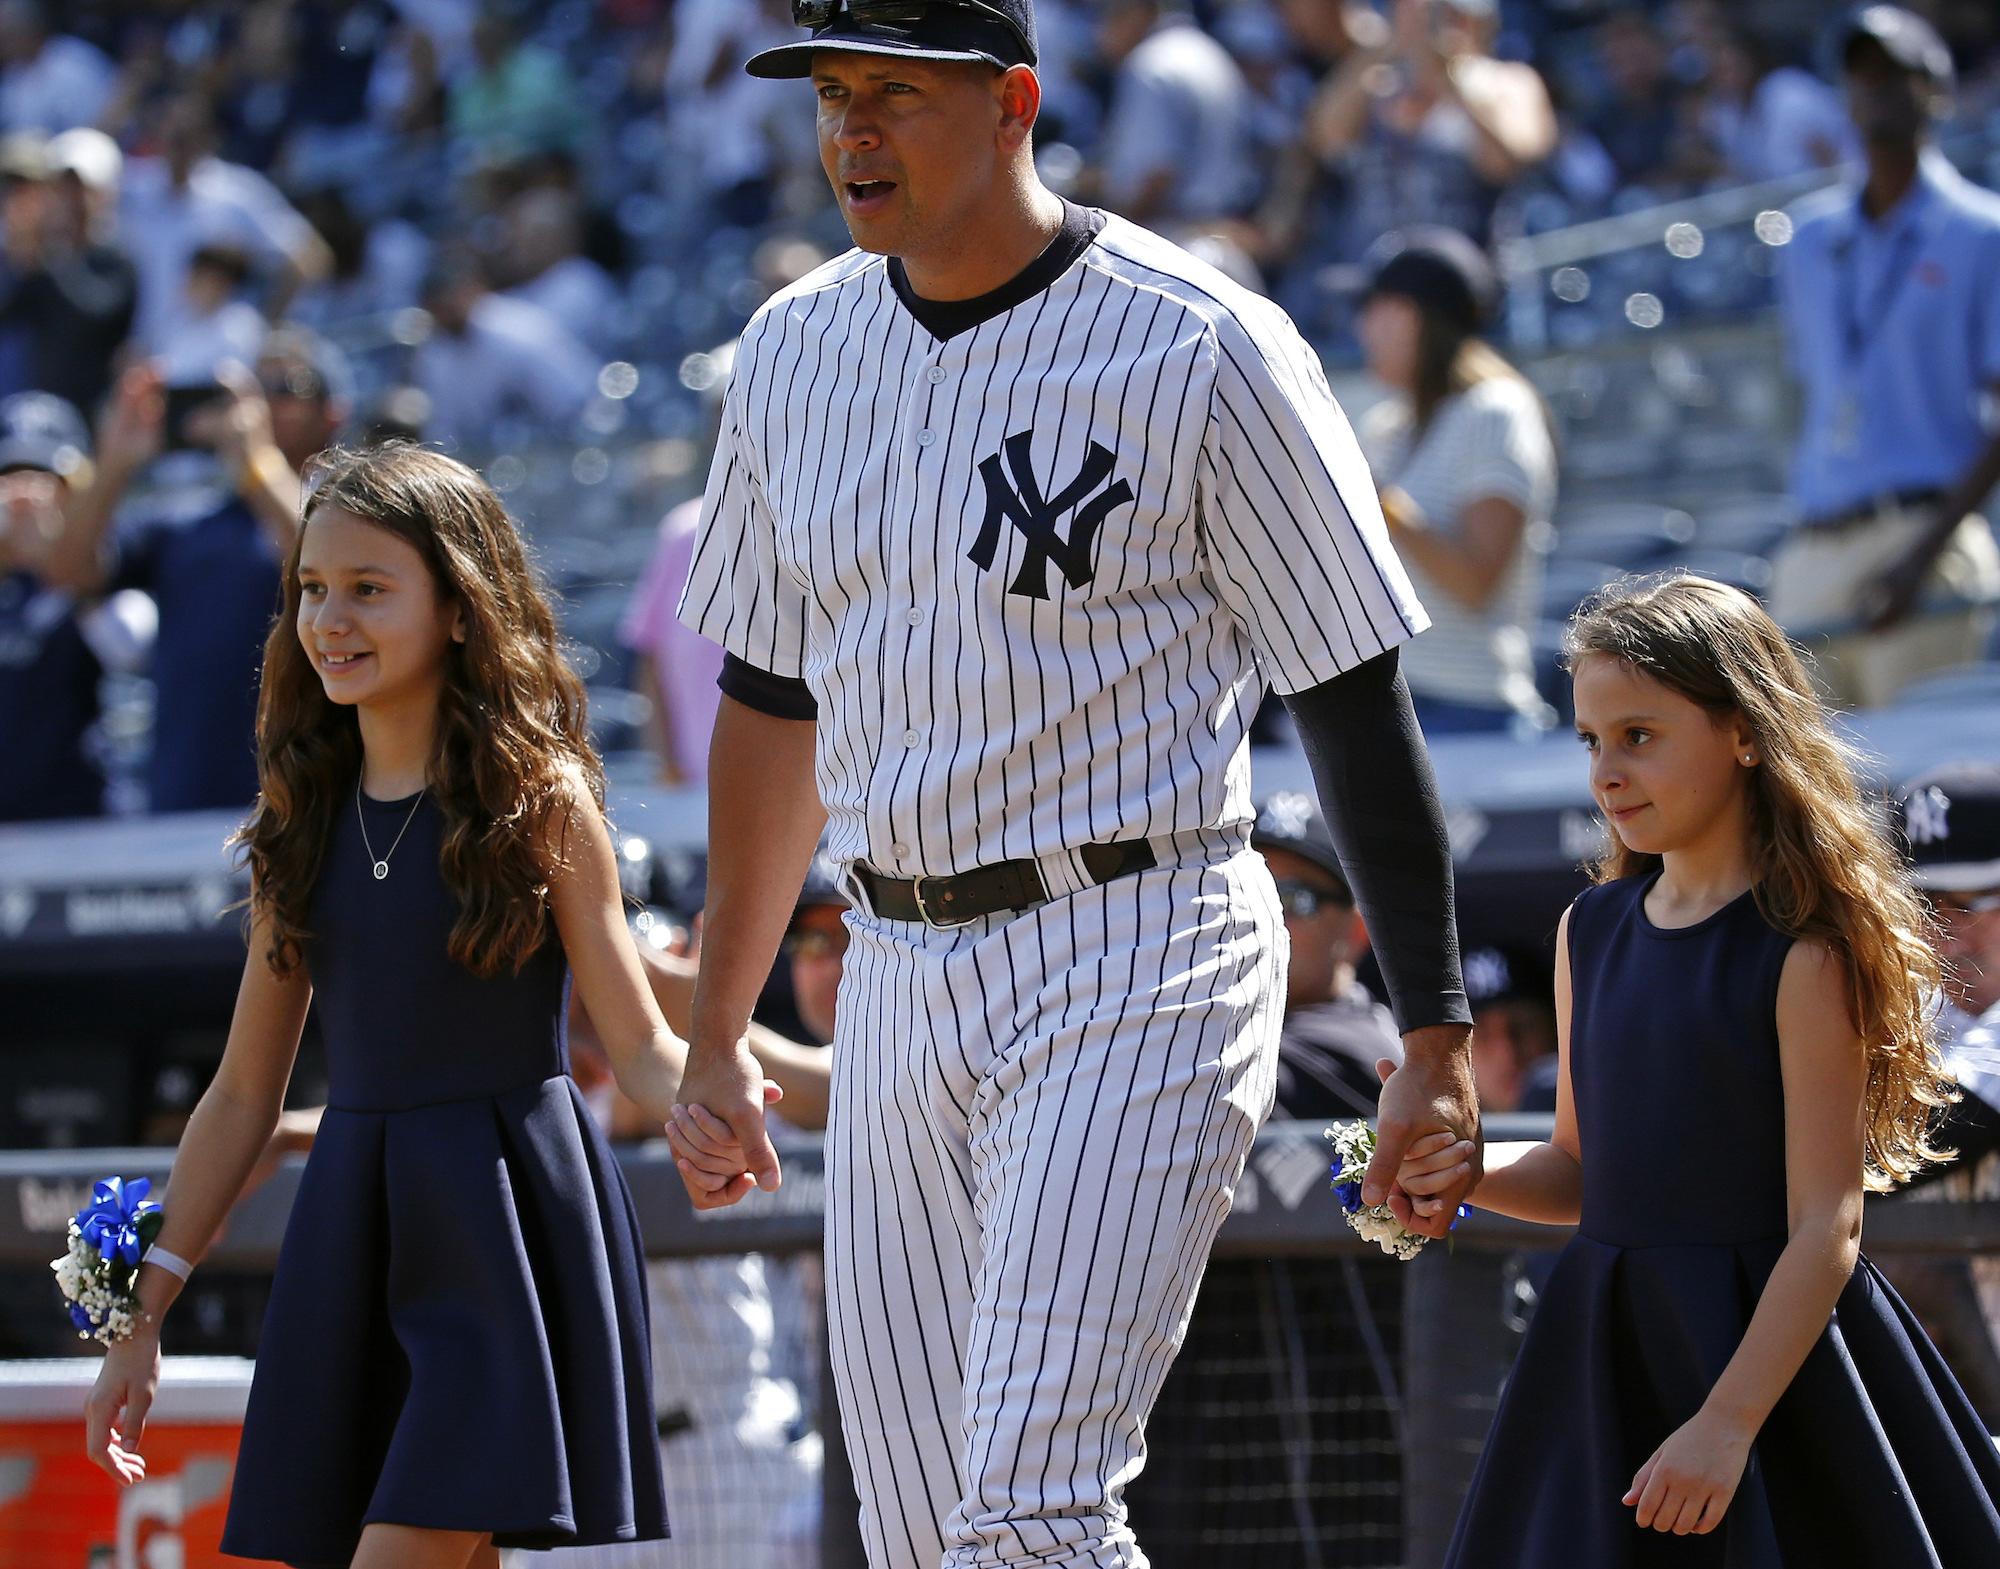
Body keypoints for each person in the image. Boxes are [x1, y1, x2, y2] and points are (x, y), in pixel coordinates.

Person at [669, 5, 1477, 1566]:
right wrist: (716, 1031)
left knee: (1031, 1514)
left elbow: (1351, 697)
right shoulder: (790, 349)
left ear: (1013, 103)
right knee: (919, 1540)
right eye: (832, 94)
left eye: (894, 93)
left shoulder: (1203, 341)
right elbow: (768, 703)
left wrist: (1435, 1035)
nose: (851, 131)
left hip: (1135, 930)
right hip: (892, 961)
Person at [82, 444, 678, 1562]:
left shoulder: (541, 802)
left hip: (502, 1235)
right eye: (312, 587)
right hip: (356, 1236)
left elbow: (640, 1043)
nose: (328, 619)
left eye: (367, 587)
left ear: (459, 608)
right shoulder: (296, 825)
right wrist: (137, 1309)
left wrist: (714, 1094)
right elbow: (242, 1095)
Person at [1395, 574, 2000, 1561]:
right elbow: (1579, 1173)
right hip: (1604, 1361)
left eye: (1639, 735)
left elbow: (1827, 1226)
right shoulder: (1587, 930)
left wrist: (1726, 1423)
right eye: (1590, 740)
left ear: (1745, 733)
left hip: (1772, 1378)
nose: (1606, 771)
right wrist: (1462, 1170)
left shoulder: (1804, 955)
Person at [1771, 6, 2000, 710]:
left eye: (1897, 74)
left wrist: (1923, 556)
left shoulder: (1983, 233)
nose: (1876, 90)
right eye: (1862, 76)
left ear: (1938, 92)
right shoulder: (1807, 240)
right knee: (1804, 772)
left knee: (1917, 771)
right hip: (1816, 541)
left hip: (1923, 535)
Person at [45, 332, 347, 812]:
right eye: (255, 390)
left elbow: (330, 561)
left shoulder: (356, 513)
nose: (264, 404)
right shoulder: (187, 524)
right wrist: (115, 460)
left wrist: (257, 463)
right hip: (186, 797)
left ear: (333, 414)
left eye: (288, 387)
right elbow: (67, 570)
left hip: (311, 798)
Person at [1356, 227, 1555, 735]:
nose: (1361, 326)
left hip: (1471, 711)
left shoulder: (1497, 411)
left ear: (1409, 316)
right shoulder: (1386, 427)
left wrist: (1375, 500)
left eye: (1371, 307)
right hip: (1391, 702)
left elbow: (1475, 581)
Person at [118, 94, 331, 359]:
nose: (179, 146)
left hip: (215, 359)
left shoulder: (236, 194)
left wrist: (267, 329)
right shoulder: (135, 187)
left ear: (207, 138)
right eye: (173, 136)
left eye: (187, 136)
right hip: (145, 354)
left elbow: (309, 258)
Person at [1250, 790, 1403, 1119]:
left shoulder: (1363, 1046)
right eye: (1249, 893)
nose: (1264, 915)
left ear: (1356, 932)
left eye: (1292, 898)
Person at [0, 390, 107, 821]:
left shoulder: (111, 568)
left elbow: (130, 645)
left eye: (47, 478)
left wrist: (58, 560)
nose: (25, 498)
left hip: (81, 825)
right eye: (9, 477)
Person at [407, 250, 598, 449]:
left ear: (471, 290)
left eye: (451, 297)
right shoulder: (434, 353)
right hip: (487, 452)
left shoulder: (514, 329)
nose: (445, 309)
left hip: (563, 436)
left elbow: (569, 402)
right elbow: (443, 427)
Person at [1093, 0, 1256, 226]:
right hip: (1222, 224)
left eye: (1107, 16)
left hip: (1175, 231)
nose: (1100, 34)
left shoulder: (1150, 65)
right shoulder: (1208, 50)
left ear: (1138, 14)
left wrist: (1109, 231)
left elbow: (1158, 174)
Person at [621, 492, 726, 786]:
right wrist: (667, 766)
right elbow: (650, 657)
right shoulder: (685, 530)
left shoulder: (806, 522)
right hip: (695, 786)